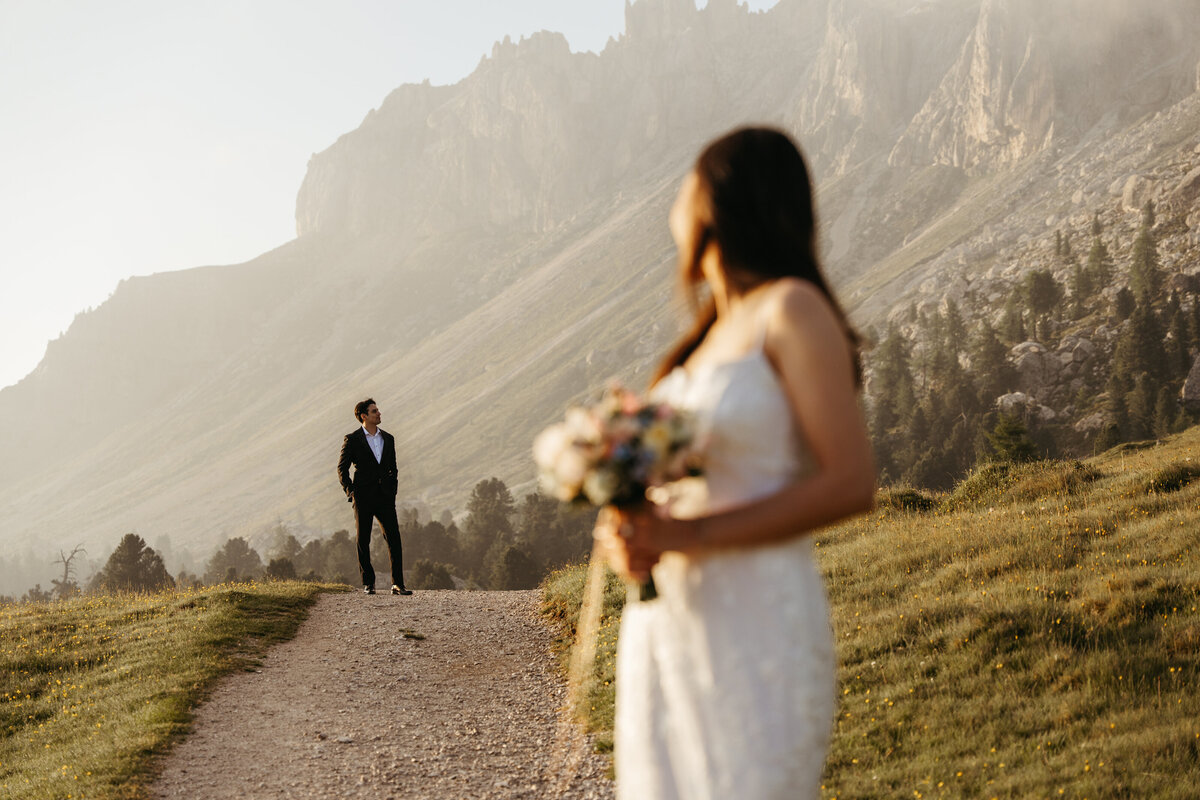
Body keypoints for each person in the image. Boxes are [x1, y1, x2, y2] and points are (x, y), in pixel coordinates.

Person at [594, 127, 875, 799]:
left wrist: (688, 535)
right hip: (670, 625)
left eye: (689, 179)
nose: (676, 196)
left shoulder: (791, 308)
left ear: (719, 199)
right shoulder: (702, 339)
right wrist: (630, 530)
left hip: (755, 620)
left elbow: (851, 482)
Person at [337, 398, 412, 595]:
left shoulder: (388, 438)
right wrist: (350, 491)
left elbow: (393, 468)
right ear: (364, 416)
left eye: (378, 410)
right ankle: (368, 583)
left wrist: (392, 488)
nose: (379, 413)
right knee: (363, 539)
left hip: (385, 496)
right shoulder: (352, 439)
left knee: (394, 538)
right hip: (362, 496)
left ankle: (398, 584)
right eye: (374, 411)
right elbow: (342, 468)